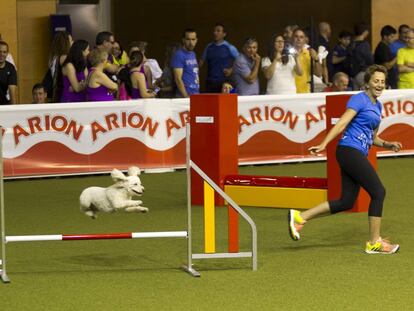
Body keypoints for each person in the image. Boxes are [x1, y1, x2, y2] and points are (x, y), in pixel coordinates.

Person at [288, 64, 402, 254]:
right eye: (376, 81)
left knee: (346, 201)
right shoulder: (359, 99)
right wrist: (324, 144)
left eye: (382, 82)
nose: (380, 85)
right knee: (378, 192)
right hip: (349, 151)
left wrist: (388, 144)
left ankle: (300, 217)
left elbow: (372, 137)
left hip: (353, 152)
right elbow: (342, 123)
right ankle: (374, 242)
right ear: (367, 83)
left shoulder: (377, 105)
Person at [199, 23, 239, 93]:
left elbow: (240, 61)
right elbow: (201, 62)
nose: (215, 33)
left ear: (224, 34)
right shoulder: (209, 47)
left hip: (224, 83)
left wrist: (231, 69)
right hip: (210, 82)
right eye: (214, 31)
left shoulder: (229, 47)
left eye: (218, 31)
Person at [44, 31, 73, 102]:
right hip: (63, 94)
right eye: (70, 40)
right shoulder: (63, 58)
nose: (73, 42)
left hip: (57, 94)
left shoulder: (54, 58)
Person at [292, 28, 322, 93]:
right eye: (296, 36)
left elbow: (319, 74)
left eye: (301, 37)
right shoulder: (287, 54)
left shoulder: (309, 53)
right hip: (290, 91)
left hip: (305, 92)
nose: (298, 39)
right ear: (292, 38)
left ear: (305, 39)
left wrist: (316, 59)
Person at [171, 28, 200, 97]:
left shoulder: (193, 54)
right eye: (188, 39)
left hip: (195, 93)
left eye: (193, 39)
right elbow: (178, 79)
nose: (191, 43)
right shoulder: (179, 55)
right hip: (184, 96)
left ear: (196, 40)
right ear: (183, 40)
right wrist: (186, 96)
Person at [0, 40, 17, 105]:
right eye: (0, 51)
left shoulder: (11, 68)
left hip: (4, 105)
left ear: (7, 53)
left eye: (4, 52)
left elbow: (12, 91)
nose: (1, 54)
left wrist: (13, 110)